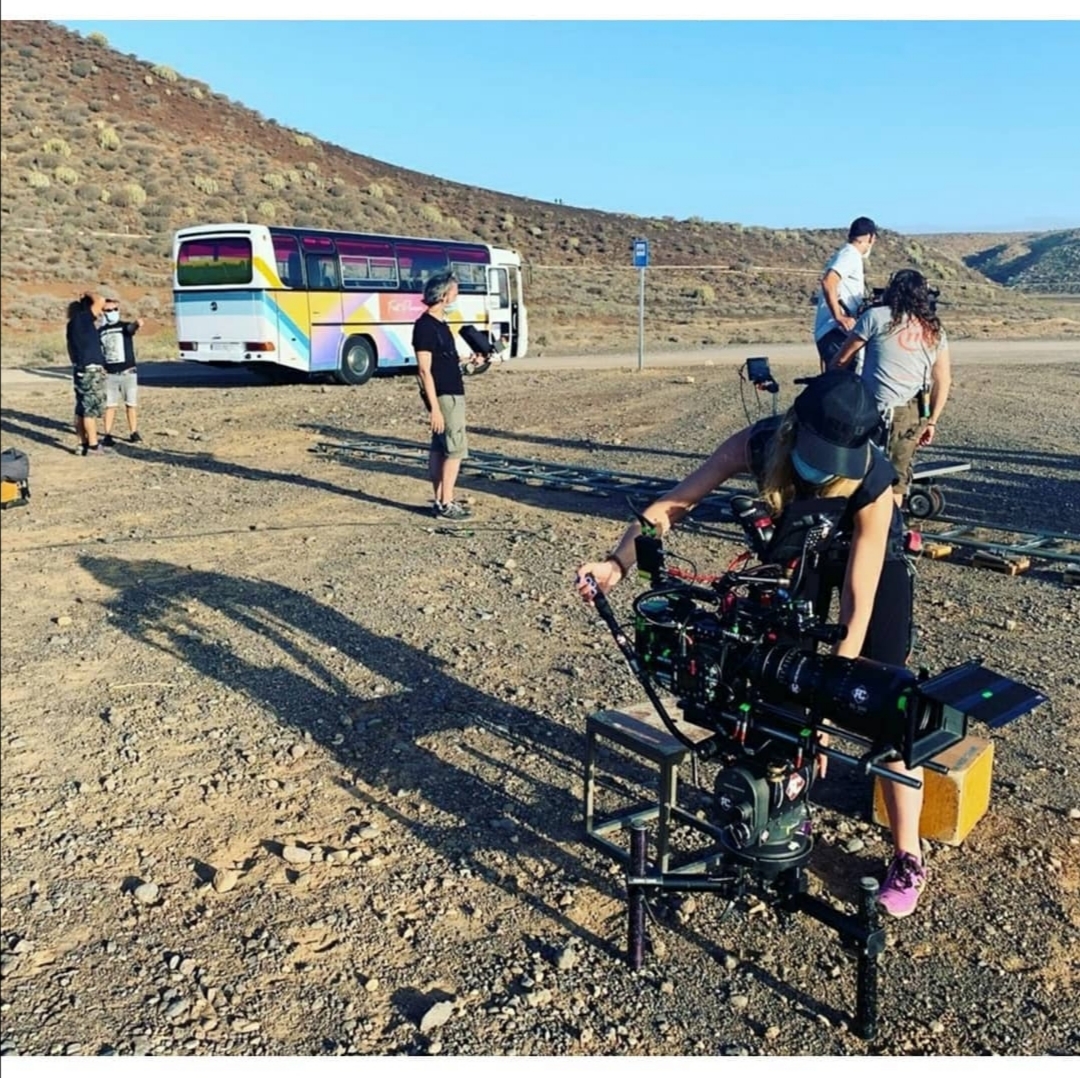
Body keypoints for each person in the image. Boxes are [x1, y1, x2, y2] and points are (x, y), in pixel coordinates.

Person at [574, 371, 928, 918]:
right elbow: (675, 504)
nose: (823, 469)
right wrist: (616, 563)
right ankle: (775, 809)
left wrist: (829, 697)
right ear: (794, 431)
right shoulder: (759, 443)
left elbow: (858, 598)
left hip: (873, 565)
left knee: (883, 699)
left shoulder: (872, 478)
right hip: (800, 550)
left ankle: (908, 854)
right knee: (773, 674)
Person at [832, 268, 952, 507]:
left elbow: (841, 360)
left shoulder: (875, 317)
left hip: (873, 409)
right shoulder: (934, 329)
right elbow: (943, 380)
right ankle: (891, 524)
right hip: (913, 412)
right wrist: (931, 421)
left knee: (858, 471)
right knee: (896, 477)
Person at [413, 272, 472, 520]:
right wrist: (435, 408)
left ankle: (440, 500)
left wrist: (468, 362)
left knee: (440, 447)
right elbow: (424, 370)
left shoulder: (440, 325)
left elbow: (443, 361)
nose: (457, 295)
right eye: (454, 291)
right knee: (455, 450)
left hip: (450, 392)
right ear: (443, 295)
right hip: (445, 397)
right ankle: (447, 503)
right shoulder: (425, 326)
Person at [813, 216, 878, 371]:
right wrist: (839, 316)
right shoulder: (850, 255)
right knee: (843, 382)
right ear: (871, 237)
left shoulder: (848, 254)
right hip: (835, 332)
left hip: (836, 333)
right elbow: (829, 281)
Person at [65, 292, 110, 456]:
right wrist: (88, 293)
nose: (100, 313)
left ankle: (82, 444)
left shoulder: (72, 325)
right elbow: (101, 300)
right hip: (90, 370)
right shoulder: (83, 319)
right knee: (90, 410)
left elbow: (70, 350)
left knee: (81, 408)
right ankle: (93, 445)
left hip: (81, 368)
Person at [99, 297, 144, 446]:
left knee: (131, 404)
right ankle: (107, 434)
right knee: (110, 405)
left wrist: (136, 324)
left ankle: (133, 432)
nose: (112, 312)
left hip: (128, 372)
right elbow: (99, 351)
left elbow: (131, 329)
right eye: (108, 310)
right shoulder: (101, 332)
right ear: (103, 312)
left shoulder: (124, 327)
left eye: (115, 309)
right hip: (110, 374)